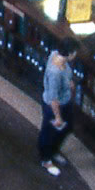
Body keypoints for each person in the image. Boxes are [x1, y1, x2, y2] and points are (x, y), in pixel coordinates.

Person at [39, 41, 76, 176]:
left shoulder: (56, 54)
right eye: (74, 53)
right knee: (49, 133)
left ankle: (54, 151)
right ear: (70, 54)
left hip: (65, 102)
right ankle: (46, 159)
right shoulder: (55, 73)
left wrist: (69, 83)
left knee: (68, 127)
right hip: (54, 107)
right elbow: (53, 99)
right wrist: (58, 117)